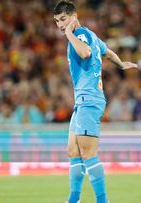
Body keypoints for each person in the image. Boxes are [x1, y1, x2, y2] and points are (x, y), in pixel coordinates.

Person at [53, 1, 139, 203]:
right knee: (73, 151)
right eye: (57, 21)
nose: (59, 25)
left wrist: (69, 34)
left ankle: (102, 201)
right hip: (82, 101)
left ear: (74, 15)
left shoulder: (79, 35)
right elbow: (107, 52)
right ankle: (73, 199)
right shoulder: (90, 34)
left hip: (89, 100)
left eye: (63, 19)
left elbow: (85, 53)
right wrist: (120, 64)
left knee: (88, 153)